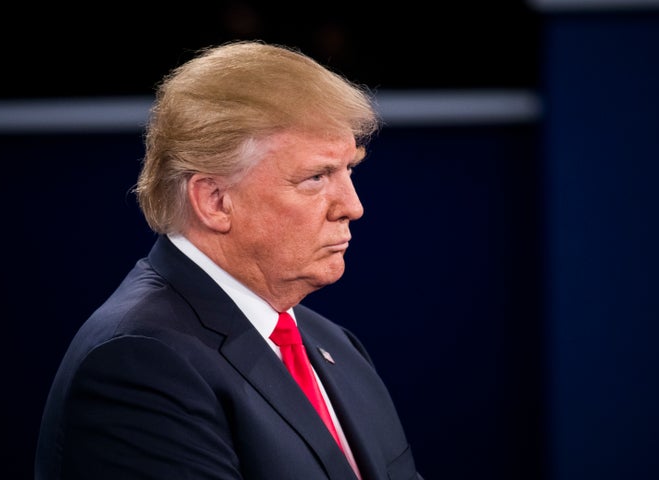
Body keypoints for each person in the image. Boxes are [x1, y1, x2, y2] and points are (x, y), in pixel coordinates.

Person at [34, 40, 423, 480]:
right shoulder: (140, 363)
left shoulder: (336, 346)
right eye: (316, 177)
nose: (352, 206)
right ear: (215, 201)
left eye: (349, 170)